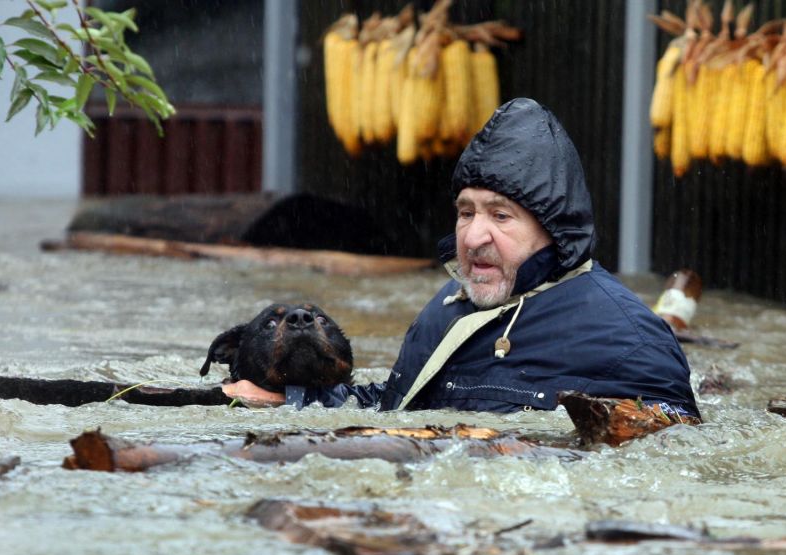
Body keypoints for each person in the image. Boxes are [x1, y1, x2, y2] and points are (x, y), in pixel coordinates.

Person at [224, 98, 700, 419]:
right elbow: (395, 408)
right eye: (466, 212)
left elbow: (677, 455)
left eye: (501, 215)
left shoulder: (630, 341)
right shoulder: (447, 310)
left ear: (553, 229)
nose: (474, 236)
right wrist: (293, 400)